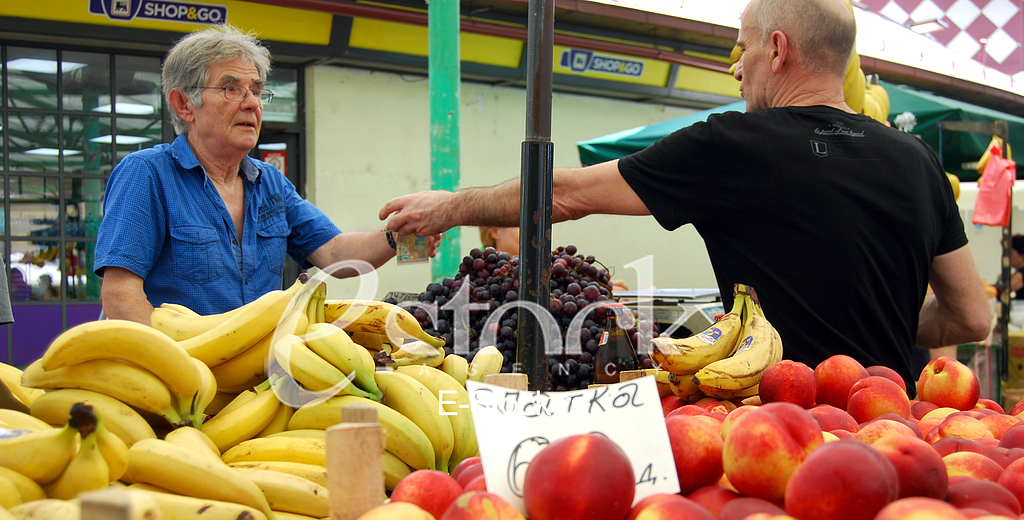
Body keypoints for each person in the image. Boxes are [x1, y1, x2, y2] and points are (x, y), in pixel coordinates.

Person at [378, 0, 991, 392]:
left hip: (777, 428)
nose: (738, 68)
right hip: (896, 424)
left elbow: (564, 195)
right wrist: (871, 317)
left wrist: (452, 206)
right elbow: (971, 317)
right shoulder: (919, 163)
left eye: (743, 48)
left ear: (777, 50)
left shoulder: (733, 145)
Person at [94, 25, 436, 322]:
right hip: (180, 377)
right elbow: (121, 293)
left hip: (257, 375)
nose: (252, 103)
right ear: (184, 104)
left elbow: (334, 254)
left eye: (256, 91)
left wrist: (400, 235)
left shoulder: (270, 183)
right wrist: (178, 366)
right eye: (231, 89)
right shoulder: (147, 175)